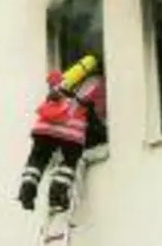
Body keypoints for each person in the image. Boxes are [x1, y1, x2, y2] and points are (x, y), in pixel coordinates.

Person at [18, 53, 107, 212]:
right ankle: (57, 196)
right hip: (70, 130)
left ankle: (27, 189)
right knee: (70, 160)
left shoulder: (65, 82)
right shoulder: (98, 84)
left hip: (45, 127)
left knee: (38, 157)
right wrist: (102, 135)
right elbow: (96, 116)